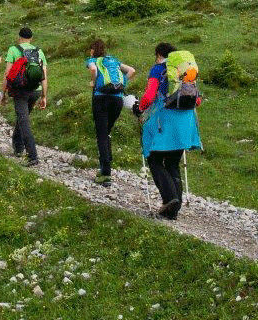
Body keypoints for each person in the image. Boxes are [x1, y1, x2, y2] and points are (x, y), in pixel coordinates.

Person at [135, 42, 201, 220]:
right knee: (173, 162)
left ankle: (170, 198)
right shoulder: (185, 71)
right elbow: (198, 100)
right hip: (185, 121)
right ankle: (174, 208)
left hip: (165, 120)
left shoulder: (158, 70)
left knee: (155, 159)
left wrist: (139, 108)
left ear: (158, 55)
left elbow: (149, 95)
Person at [86, 39, 136, 185]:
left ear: (93, 50)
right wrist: (123, 83)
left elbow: (93, 69)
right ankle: (107, 162)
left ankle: (106, 173)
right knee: (107, 131)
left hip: (101, 98)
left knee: (101, 134)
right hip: (117, 100)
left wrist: (94, 82)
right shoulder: (113, 60)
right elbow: (132, 70)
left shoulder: (92, 60)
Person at [1, 27, 48, 166]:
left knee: (24, 121)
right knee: (23, 117)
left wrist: (2, 93)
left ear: (19, 37)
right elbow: (44, 76)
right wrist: (44, 96)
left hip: (20, 91)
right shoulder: (39, 51)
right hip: (36, 90)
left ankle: (32, 156)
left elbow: (7, 74)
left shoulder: (13, 49)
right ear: (31, 38)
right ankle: (18, 147)